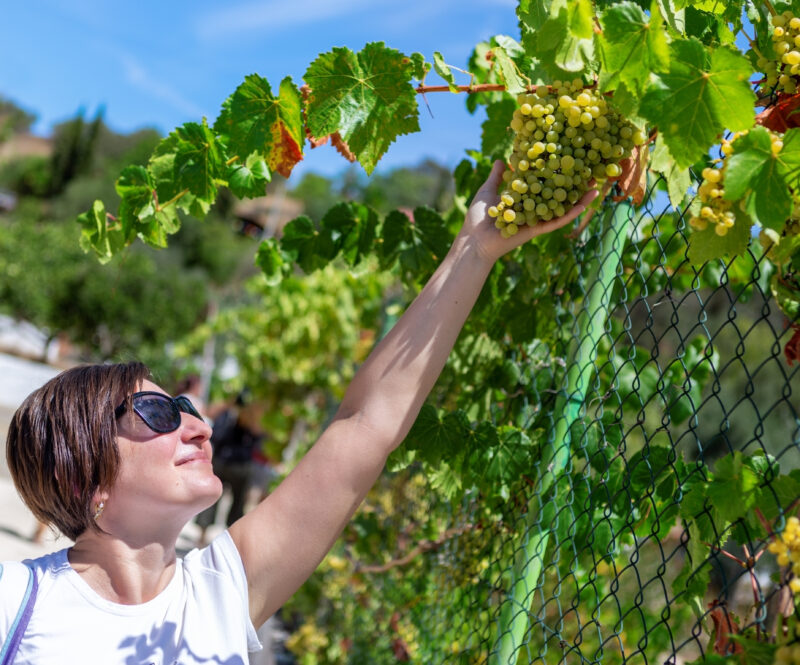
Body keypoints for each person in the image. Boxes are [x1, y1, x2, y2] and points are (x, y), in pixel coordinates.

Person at [0, 162, 598, 664]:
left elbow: (366, 425)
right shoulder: (16, 606)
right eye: (157, 412)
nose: (200, 425)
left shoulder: (219, 594)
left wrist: (476, 247)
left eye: (186, 406)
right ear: (85, 473)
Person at [194, 395, 264, 546]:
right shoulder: (230, 415)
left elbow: (257, 436)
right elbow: (216, 432)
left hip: (236, 463)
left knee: (235, 503)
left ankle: (228, 538)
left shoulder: (247, 418)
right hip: (227, 461)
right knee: (216, 500)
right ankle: (207, 535)